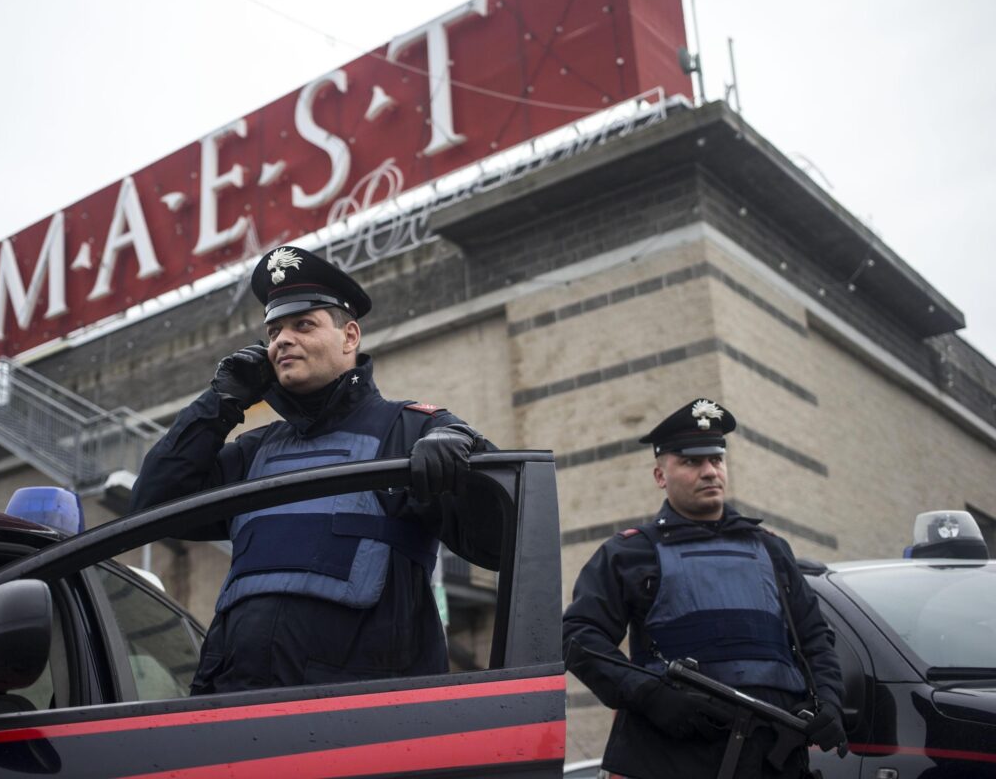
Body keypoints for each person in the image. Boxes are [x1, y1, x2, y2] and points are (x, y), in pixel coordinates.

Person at [131, 245, 501, 694]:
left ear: (349, 337)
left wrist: (466, 462)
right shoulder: (253, 452)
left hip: (358, 721)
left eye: (303, 325)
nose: (282, 340)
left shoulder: (410, 430)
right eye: (274, 331)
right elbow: (153, 503)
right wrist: (219, 403)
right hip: (231, 712)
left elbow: (500, 542)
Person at [562, 398, 846, 779]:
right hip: (670, 756)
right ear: (661, 476)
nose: (710, 471)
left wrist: (828, 702)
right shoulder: (631, 552)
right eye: (692, 462)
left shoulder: (771, 549)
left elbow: (815, 639)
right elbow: (579, 637)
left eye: (716, 459)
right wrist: (650, 694)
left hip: (771, 758)